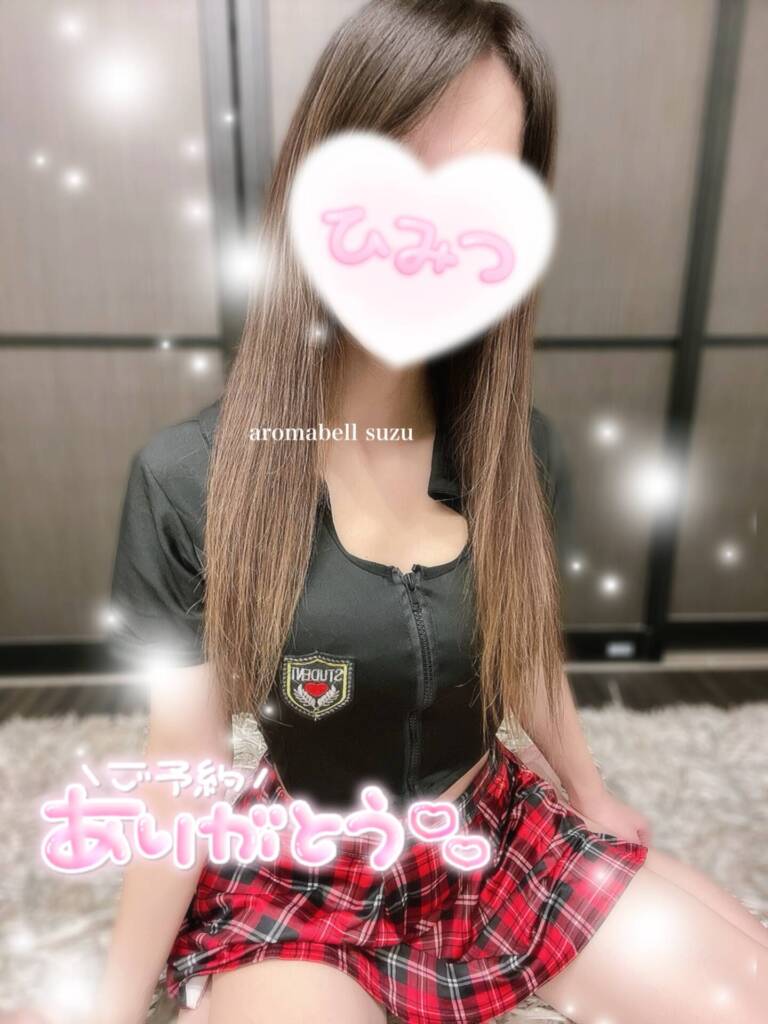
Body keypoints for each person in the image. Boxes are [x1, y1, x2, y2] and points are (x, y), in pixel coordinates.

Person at [95, 3, 768, 1022]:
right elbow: (182, 765)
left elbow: (523, 648)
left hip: (496, 839)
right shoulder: (187, 481)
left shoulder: (521, 452)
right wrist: (109, 1003)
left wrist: (588, 793)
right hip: (311, 874)